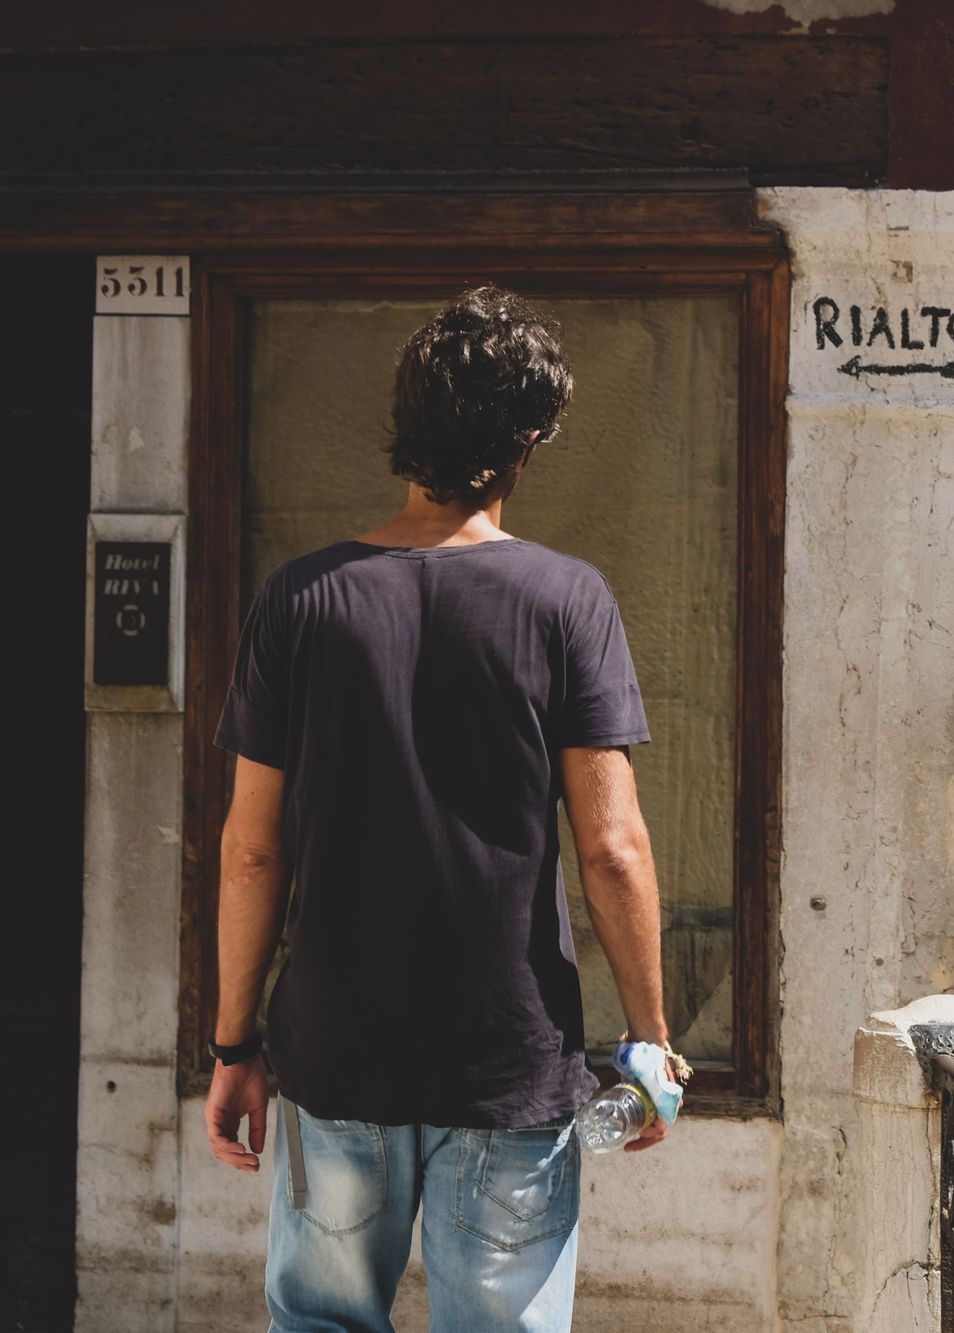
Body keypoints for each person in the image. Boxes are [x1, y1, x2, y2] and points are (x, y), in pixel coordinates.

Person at [203, 286, 672, 1332]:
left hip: (334, 1051)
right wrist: (649, 1038)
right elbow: (611, 845)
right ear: (528, 444)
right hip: (506, 1059)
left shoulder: (299, 601)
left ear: (405, 431)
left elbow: (249, 852)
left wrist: (236, 1045)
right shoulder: (567, 600)